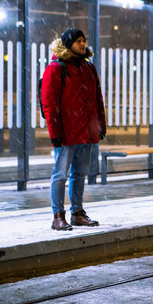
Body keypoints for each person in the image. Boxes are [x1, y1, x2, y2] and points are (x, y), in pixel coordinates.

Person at [42, 28, 106, 230]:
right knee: (60, 174)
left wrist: (100, 126)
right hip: (67, 134)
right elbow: (50, 104)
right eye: (78, 41)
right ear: (69, 44)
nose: (83, 44)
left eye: (84, 40)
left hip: (86, 132)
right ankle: (57, 216)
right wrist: (55, 133)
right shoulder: (56, 68)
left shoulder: (88, 67)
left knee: (80, 174)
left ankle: (77, 212)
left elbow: (97, 100)